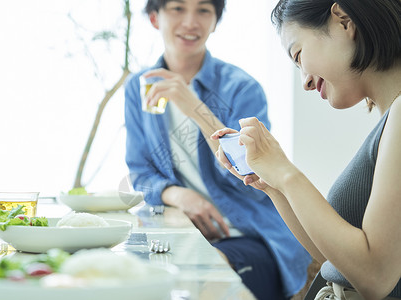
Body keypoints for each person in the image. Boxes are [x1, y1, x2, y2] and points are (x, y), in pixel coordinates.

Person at [212, 0, 401, 299]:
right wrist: (273, 185)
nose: (306, 83)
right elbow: (335, 261)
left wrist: (286, 173)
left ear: (343, 21)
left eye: (299, 55)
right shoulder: (389, 119)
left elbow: (376, 277)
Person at [124, 0, 312, 299]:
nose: (190, 22)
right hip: (180, 232)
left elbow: (254, 176)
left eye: (203, 10)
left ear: (215, 22)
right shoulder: (140, 87)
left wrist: (195, 108)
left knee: (203, 284)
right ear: (154, 18)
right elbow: (141, 171)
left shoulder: (241, 88)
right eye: (177, 8)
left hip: (246, 233)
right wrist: (180, 195)